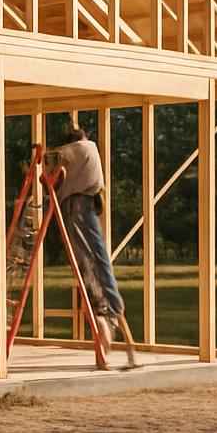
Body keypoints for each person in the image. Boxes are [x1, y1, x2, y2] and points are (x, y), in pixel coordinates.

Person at [47, 128, 140, 370]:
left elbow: (53, 161)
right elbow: (67, 153)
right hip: (79, 208)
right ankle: (106, 318)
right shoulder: (86, 148)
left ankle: (104, 318)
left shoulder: (80, 151)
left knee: (88, 267)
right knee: (96, 265)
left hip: (73, 209)